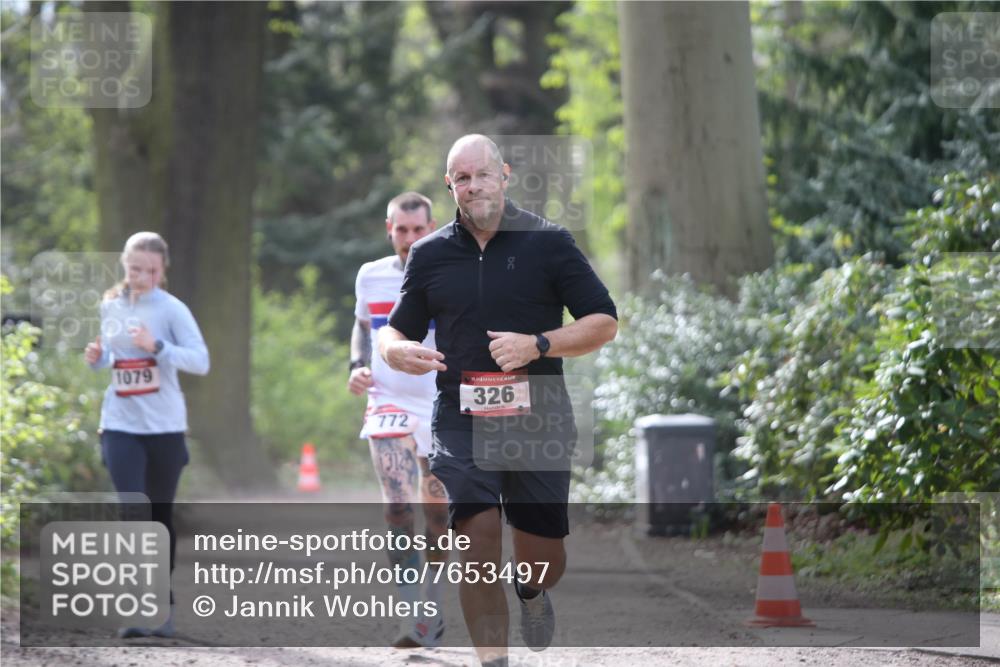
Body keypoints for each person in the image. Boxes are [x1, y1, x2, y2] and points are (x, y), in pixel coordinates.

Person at [378, 135, 618, 666]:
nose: (473, 185)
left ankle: (531, 592)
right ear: (449, 186)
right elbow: (394, 330)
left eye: (482, 174)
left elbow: (604, 322)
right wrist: (396, 353)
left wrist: (539, 344)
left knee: (542, 562)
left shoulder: (549, 241)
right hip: (463, 417)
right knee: (477, 546)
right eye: (461, 178)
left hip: (540, 419)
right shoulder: (430, 253)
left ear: (504, 175)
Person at [84, 231, 210, 638]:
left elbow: (201, 361)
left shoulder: (172, 309)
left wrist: (157, 346)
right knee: (132, 511)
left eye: (151, 270)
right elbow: (109, 360)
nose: (142, 277)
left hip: (165, 428)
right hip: (120, 423)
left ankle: (163, 608)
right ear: (124, 264)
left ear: (163, 269)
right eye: (135, 269)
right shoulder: (110, 305)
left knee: (158, 516)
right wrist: (97, 358)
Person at [349, 192, 450, 648]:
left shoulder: (451, 270)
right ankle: (411, 613)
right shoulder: (370, 276)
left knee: (437, 511)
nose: (409, 239)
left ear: (432, 229)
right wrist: (356, 365)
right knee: (395, 503)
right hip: (386, 401)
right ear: (388, 229)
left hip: (441, 405)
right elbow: (362, 325)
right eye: (401, 230)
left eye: (418, 230)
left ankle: (432, 605)